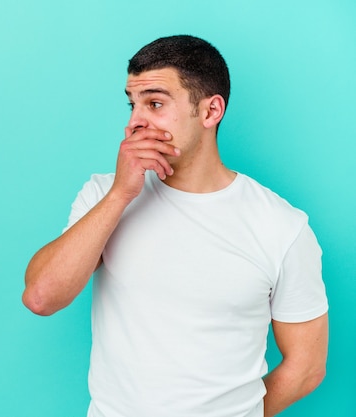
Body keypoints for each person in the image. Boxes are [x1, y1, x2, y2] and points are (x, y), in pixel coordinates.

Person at [22, 35, 328, 417]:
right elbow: (41, 297)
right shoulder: (103, 195)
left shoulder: (282, 227)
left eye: (154, 103)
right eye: (132, 105)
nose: (135, 122)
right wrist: (120, 195)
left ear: (210, 111)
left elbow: (306, 368)